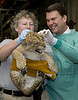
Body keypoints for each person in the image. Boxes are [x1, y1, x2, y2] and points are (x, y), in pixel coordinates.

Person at [0, 10, 52, 100]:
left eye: (31, 24)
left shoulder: (42, 45)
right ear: (16, 28)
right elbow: (1, 56)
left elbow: (49, 66)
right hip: (11, 97)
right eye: (24, 24)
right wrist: (19, 40)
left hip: (36, 96)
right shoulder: (7, 42)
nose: (28, 27)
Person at [38, 3, 78, 100]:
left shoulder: (75, 37)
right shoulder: (46, 39)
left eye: (53, 19)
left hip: (71, 94)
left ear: (64, 18)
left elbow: (76, 56)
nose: (50, 23)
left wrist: (53, 41)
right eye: (48, 20)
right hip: (49, 95)